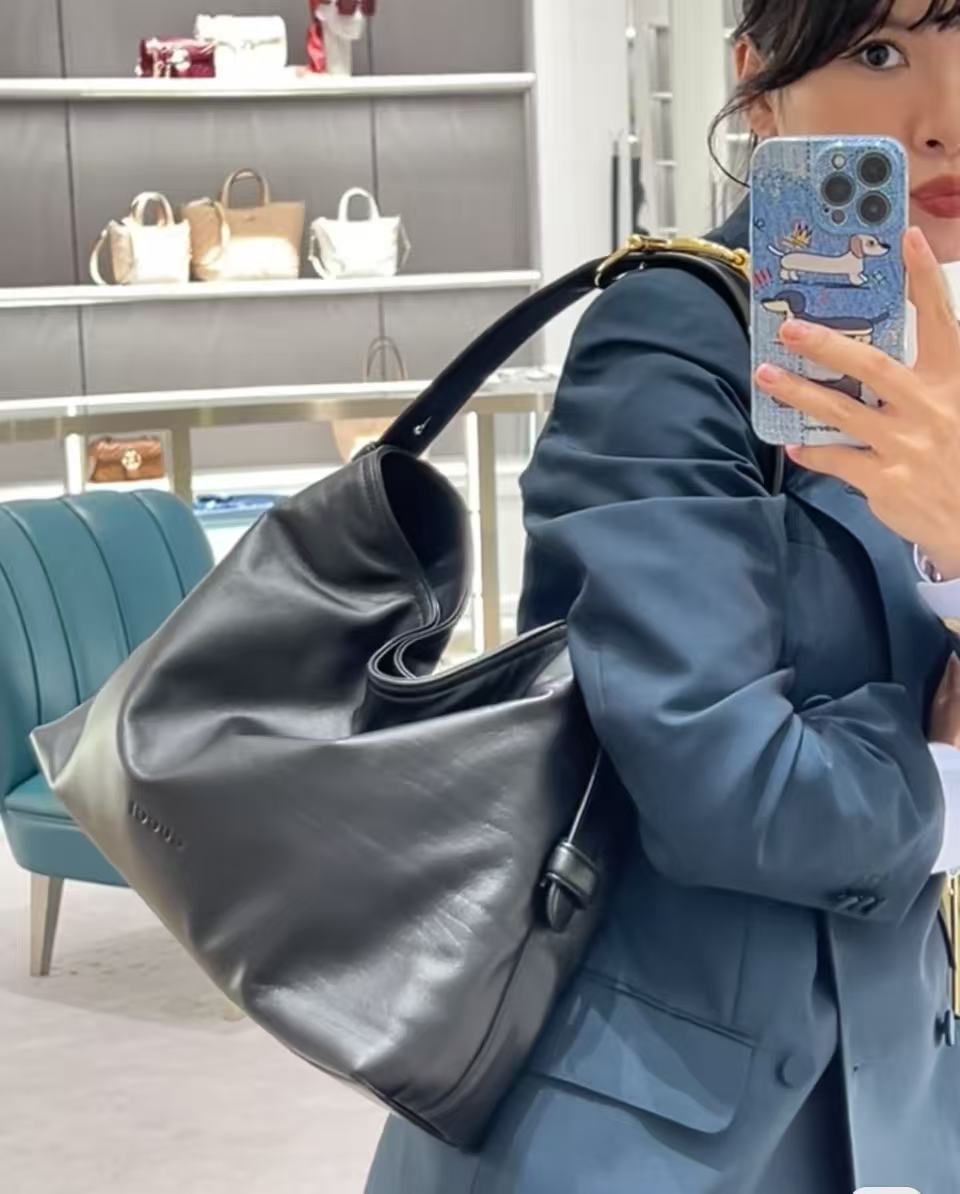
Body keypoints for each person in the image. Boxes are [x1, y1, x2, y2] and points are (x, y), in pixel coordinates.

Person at [364, 2, 960, 1190]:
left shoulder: (937, 362)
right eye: (880, 51)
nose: (946, 119)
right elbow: (730, 791)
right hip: (641, 1118)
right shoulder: (676, 333)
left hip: (891, 1094)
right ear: (759, 83)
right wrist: (937, 764)